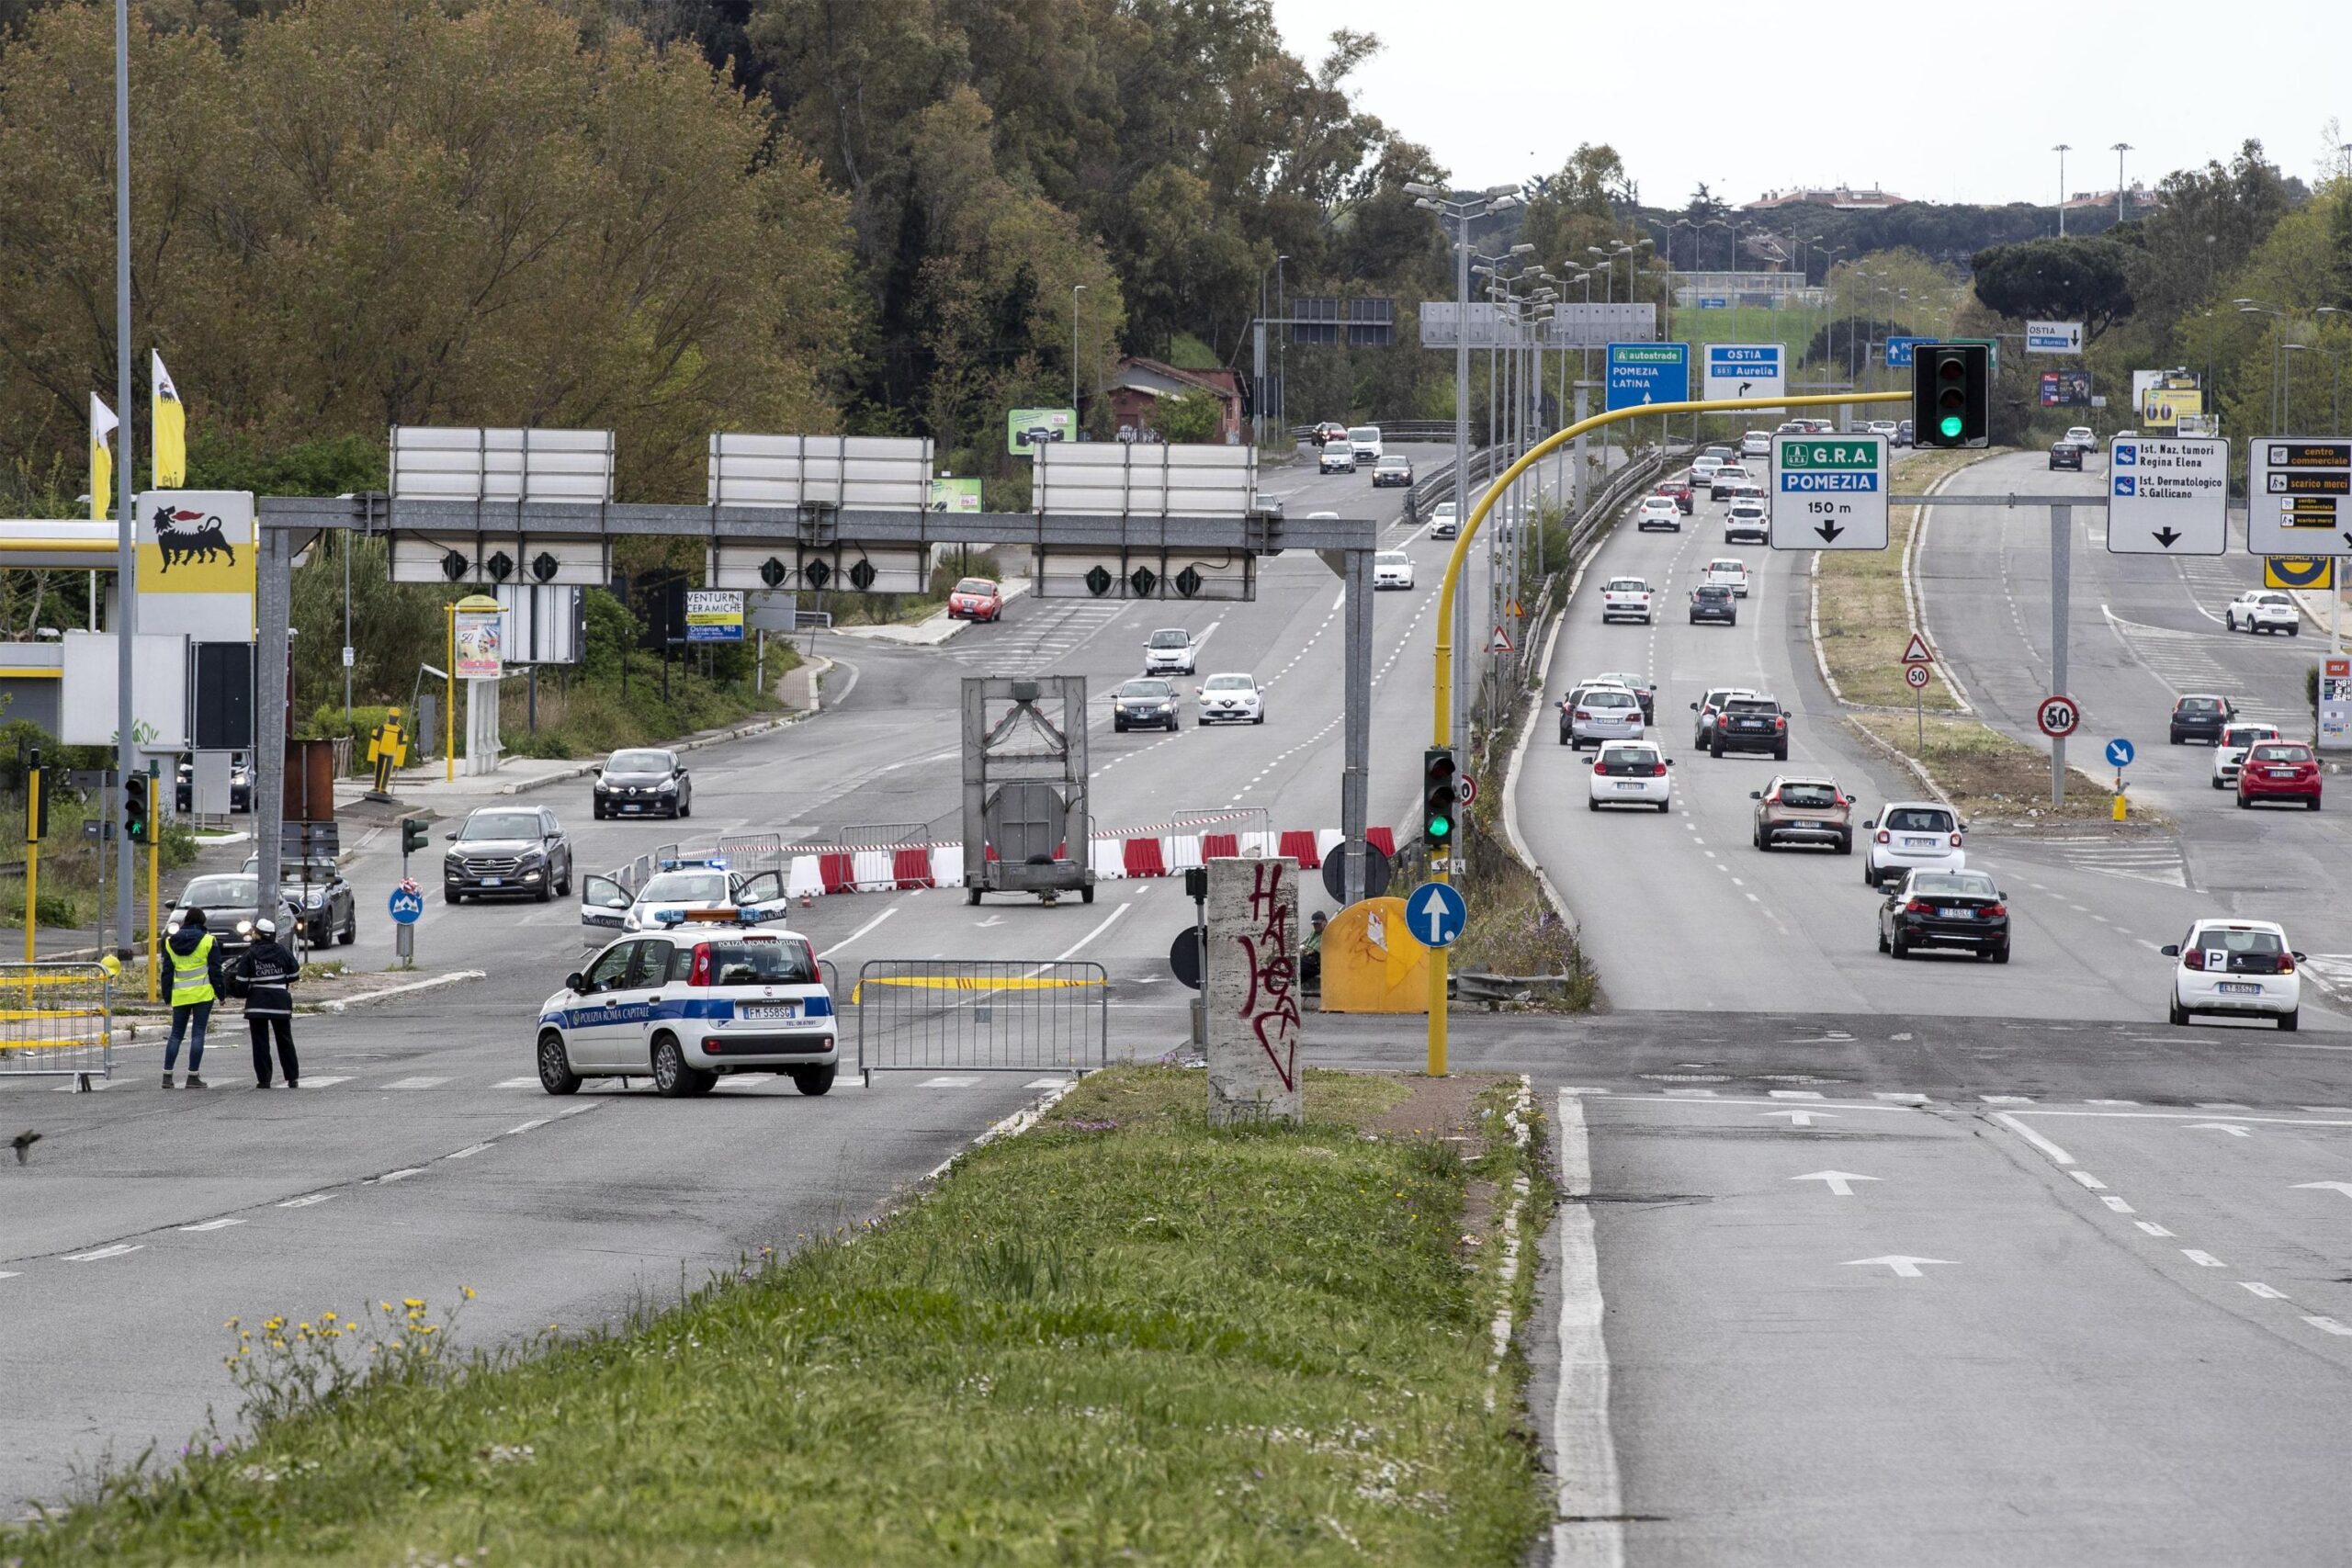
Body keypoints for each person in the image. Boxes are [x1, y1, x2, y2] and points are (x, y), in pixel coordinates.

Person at [231, 918, 301, 1089]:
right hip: (280, 1002)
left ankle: (264, 1080)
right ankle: (292, 1078)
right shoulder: (283, 951)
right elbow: (294, 975)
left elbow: (241, 982)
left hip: (257, 1003)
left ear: (258, 935)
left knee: (260, 1042)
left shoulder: (250, 955)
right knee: (285, 1040)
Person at [163, 908, 222, 1089]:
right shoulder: (208, 941)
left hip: (180, 995)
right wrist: (221, 993)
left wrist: (167, 995)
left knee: (175, 1035)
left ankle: (167, 1076)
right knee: (198, 1034)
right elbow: (215, 970)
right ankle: (193, 1076)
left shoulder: (170, 942)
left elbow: (167, 971)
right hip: (203, 995)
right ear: (202, 922)